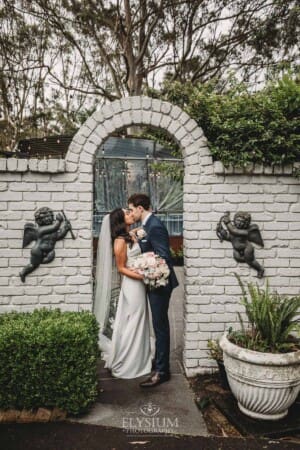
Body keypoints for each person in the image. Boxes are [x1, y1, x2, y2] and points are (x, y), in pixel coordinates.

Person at [128, 193, 179, 387]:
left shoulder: (155, 226)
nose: (131, 213)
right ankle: (159, 363)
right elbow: (149, 246)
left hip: (160, 282)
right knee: (158, 325)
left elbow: (163, 257)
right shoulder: (148, 225)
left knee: (160, 326)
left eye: (132, 209)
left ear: (141, 208)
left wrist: (142, 266)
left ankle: (161, 371)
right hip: (154, 282)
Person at [94, 208, 152, 379]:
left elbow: (139, 231)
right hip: (133, 284)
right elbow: (121, 268)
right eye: (127, 214)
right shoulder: (119, 241)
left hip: (139, 283)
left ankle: (139, 359)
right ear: (120, 221)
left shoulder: (130, 234)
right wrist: (144, 276)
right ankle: (127, 362)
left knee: (139, 318)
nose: (130, 215)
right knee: (134, 319)